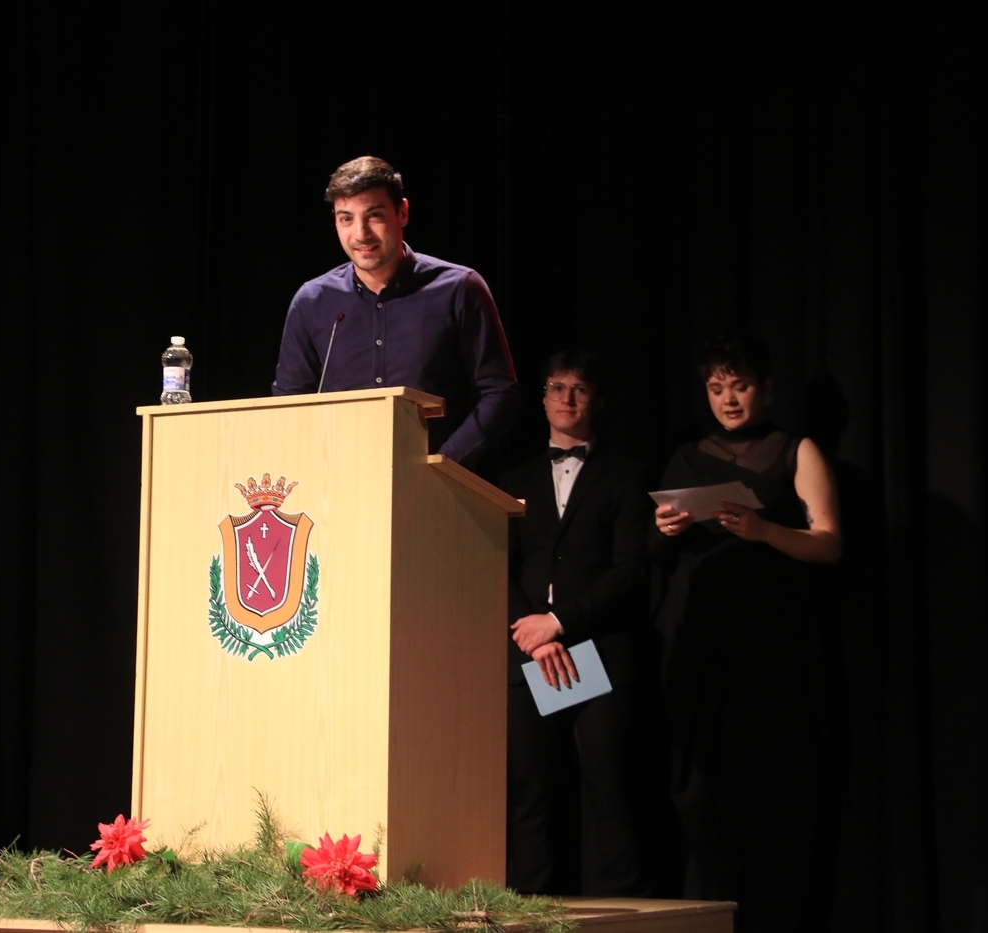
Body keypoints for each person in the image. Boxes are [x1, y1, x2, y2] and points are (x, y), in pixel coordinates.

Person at [650, 332, 842, 932]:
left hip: (770, 645)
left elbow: (829, 543)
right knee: (697, 789)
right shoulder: (686, 456)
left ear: (767, 388)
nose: (728, 400)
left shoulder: (795, 450)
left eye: (740, 386)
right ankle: (710, 909)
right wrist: (666, 528)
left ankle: (770, 915)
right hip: (698, 643)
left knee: (769, 788)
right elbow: (651, 553)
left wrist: (764, 532)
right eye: (716, 388)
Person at [500, 350, 652, 895]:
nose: (566, 398)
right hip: (530, 652)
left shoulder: (627, 477)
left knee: (608, 788)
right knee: (529, 790)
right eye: (556, 387)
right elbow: (496, 564)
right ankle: (530, 910)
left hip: (597, 647)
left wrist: (558, 623)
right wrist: (533, 633)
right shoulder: (512, 479)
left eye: (579, 389)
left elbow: (631, 570)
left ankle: (624, 916)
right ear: (542, 398)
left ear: (597, 401)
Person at [271, 156, 519, 467]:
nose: (361, 234)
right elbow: (289, 406)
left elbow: (499, 393)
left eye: (374, 215)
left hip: (437, 484)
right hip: (339, 480)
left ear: (402, 212)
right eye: (346, 219)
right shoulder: (312, 301)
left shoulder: (459, 288)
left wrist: (441, 465)